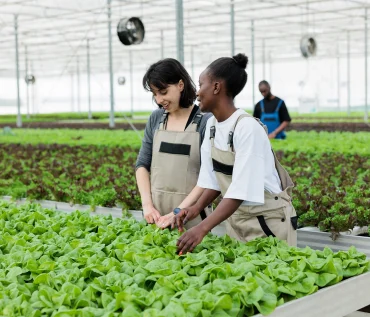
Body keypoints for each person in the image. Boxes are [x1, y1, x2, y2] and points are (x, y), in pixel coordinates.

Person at [172, 53, 298, 254]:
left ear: (216, 87)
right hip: (237, 219)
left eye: (201, 84)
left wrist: (202, 228)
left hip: (269, 221)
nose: (197, 92)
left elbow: (240, 191)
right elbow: (213, 179)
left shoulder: (246, 128)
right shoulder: (212, 125)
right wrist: (195, 209)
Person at [136, 58, 212, 229]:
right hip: (157, 217)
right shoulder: (156, 118)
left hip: (192, 218)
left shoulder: (205, 121)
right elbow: (142, 164)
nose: (158, 99)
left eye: (163, 92)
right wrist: (147, 205)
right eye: (154, 94)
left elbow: (208, 177)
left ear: (180, 85)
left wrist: (178, 212)